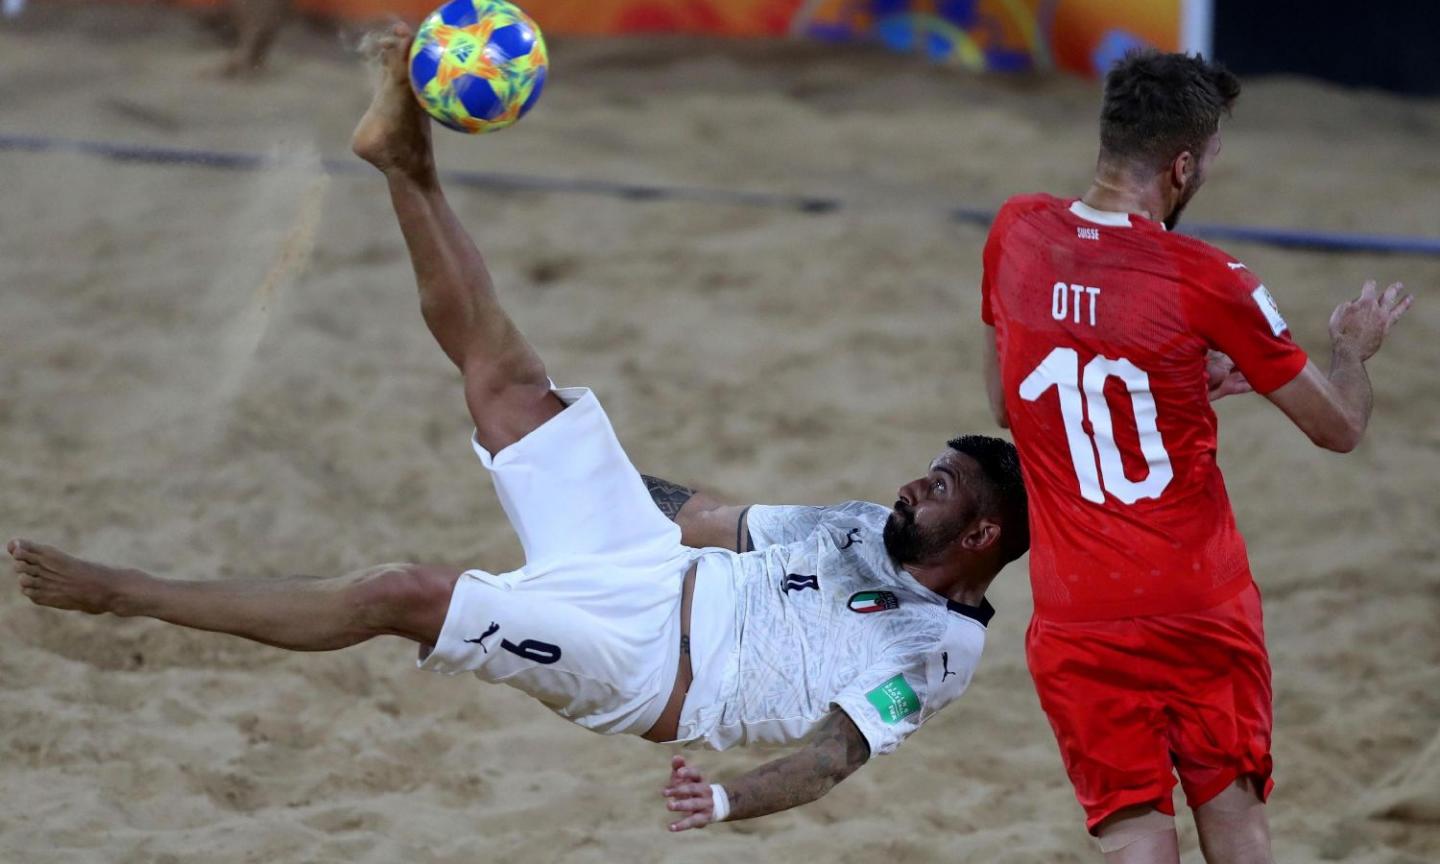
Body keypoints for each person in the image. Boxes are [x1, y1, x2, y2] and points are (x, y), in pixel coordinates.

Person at [8, 25, 1028, 833]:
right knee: (508, 379)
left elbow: (833, 756)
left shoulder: (936, 651)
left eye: (940, 491)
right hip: (636, 556)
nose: (911, 487)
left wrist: (727, 800)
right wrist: (581, 464)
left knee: (397, 593)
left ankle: (119, 594)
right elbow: (710, 515)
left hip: (641, 668)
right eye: (926, 474)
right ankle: (405, 162)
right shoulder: (858, 525)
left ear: (981, 538)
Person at [979, 50, 1413, 863]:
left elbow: (1009, 405)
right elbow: (1339, 427)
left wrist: (1161, 378)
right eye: (1211, 157)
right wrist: (1352, 348)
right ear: (1181, 165)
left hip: (1080, 614)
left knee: (1136, 836)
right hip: (1199, 603)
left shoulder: (1016, 232)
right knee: (1238, 822)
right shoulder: (1211, 278)